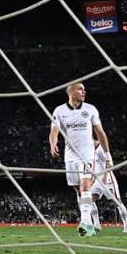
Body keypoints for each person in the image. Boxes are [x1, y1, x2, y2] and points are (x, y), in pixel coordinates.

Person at [48, 81, 110, 237]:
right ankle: (88, 224)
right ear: (71, 92)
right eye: (80, 89)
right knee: (78, 190)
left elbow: (100, 133)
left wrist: (107, 154)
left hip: (87, 155)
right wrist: (53, 143)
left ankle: (83, 222)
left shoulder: (90, 109)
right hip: (70, 157)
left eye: (84, 89)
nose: (84, 91)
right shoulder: (59, 110)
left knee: (85, 186)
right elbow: (54, 131)